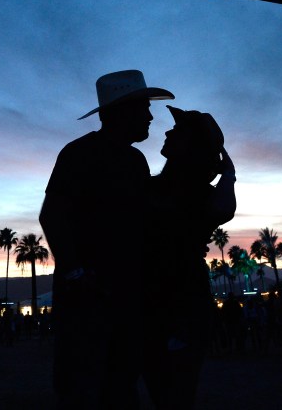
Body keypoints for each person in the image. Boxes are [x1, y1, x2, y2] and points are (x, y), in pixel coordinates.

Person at [40, 69, 173, 409]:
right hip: (89, 297)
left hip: (123, 295)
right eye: (142, 108)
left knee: (119, 383)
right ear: (119, 112)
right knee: (87, 385)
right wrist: (76, 274)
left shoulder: (134, 160)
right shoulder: (80, 154)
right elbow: (53, 215)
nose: (149, 116)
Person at [142, 105, 236, 408]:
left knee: (175, 394)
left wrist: (229, 173)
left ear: (193, 146)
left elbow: (224, 210)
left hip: (182, 304)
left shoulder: (199, 194)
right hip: (154, 303)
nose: (168, 131)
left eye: (178, 130)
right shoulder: (153, 186)